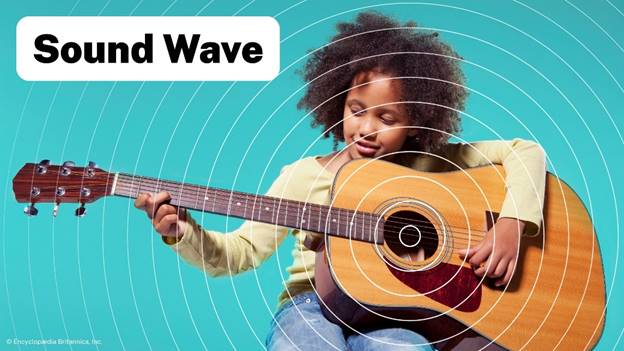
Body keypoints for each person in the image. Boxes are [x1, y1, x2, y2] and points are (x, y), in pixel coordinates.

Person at [134, 11, 546, 351]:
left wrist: (513, 223)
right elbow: (238, 254)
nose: (366, 128)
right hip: (310, 307)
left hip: (394, 313)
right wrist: (183, 232)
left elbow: (526, 152)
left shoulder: (430, 167)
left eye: (386, 118)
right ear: (337, 102)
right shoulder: (303, 177)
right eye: (357, 109)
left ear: (416, 123)